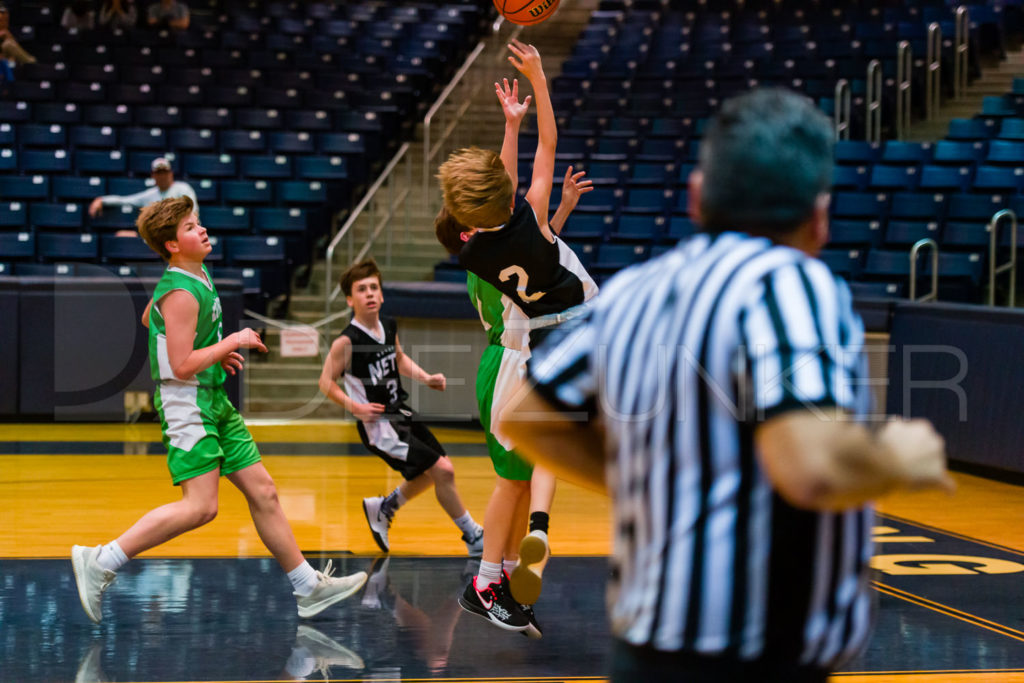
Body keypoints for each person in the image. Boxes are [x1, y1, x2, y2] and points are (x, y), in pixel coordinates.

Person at [500, 87, 955, 683]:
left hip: (642, 647)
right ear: (820, 219)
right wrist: (898, 456)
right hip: (758, 655)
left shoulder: (636, 290)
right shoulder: (792, 283)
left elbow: (525, 415)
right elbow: (809, 467)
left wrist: (662, 485)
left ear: (695, 199)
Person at [71, 196, 368, 625]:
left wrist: (209, 351)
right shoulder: (180, 291)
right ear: (172, 245)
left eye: (199, 223)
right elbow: (177, 363)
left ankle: (307, 587)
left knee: (263, 490)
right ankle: (101, 560)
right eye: (191, 227)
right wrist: (229, 343)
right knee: (201, 507)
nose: (203, 230)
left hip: (213, 398)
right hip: (186, 402)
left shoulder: (194, 274)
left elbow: (150, 319)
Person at [436, 49, 598, 635]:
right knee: (517, 474)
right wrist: (537, 87)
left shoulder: (475, 251)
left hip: (527, 344)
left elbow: (503, 196)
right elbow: (546, 148)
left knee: (528, 467)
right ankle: (487, 579)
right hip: (522, 354)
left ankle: (505, 566)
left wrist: (510, 126)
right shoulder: (528, 216)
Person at [318, 258, 484, 557]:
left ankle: (383, 508)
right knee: (443, 470)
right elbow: (326, 382)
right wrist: (355, 407)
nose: (369, 294)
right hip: (379, 425)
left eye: (373, 288)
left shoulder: (389, 324)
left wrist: (426, 377)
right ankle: (473, 535)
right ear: (349, 299)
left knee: (433, 472)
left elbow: (399, 358)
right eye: (361, 289)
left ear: (381, 295)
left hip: (401, 413)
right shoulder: (347, 341)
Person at [89, 156, 198, 219]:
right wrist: (102, 200)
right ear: (153, 175)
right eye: (158, 173)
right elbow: (125, 200)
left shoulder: (183, 189)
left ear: (171, 173)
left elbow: (193, 213)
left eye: (165, 172)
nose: (162, 176)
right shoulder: (149, 194)